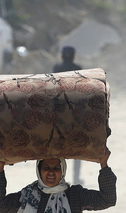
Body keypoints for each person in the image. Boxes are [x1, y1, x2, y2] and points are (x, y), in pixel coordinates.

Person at [53, 46, 85, 185]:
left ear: (61, 56)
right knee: (77, 149)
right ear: (74, 56)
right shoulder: (78, 68)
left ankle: (59, 178)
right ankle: (76, 178)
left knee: (59, 150)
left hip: (59, 114)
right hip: (74, 114)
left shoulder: (56, 68)